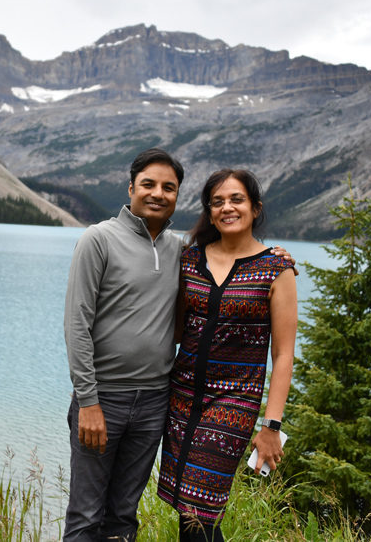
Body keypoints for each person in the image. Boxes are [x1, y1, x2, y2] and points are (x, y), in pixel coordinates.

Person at [157, 169, 298, 541]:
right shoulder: (190, 259)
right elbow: (173, 330)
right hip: (181, 397)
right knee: (188, 511)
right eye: (217, 202)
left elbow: (283, 356)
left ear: (255, 208)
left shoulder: (276, 269)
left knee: (202, 510)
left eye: (236, 199)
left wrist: (272, 427)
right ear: (209, 210)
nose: (227, 207)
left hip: (232, 405)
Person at [63, 147, 186, 541]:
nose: (158, 193)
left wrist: (275, 257)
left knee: (123, 517)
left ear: (177, 197)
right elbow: (76, 325)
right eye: (148, 184)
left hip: (153, 403)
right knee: (85, 517)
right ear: (131, 187)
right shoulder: (98, 239)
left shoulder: (181, 249)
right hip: (103, 399)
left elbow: (233, 255)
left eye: (169, 188)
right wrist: (88, 402)